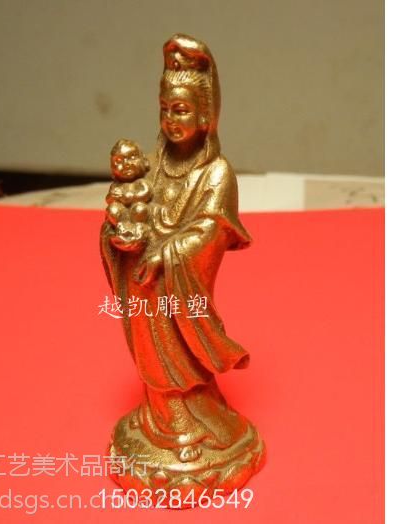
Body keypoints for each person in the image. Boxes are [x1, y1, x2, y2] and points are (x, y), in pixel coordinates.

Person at [101, 35, 262, 474]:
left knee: (179, 348)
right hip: (143, 280)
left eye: (182, 110)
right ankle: (165, 416)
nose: (171, 120)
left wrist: (165, 253)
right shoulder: (152, 164)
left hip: (176, 281)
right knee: (149, 342)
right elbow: (128, 205)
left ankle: (186, 420)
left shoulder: (216, 173)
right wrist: (118, 237)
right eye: (165, 109)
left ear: (205, 115)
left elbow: (211, 230)